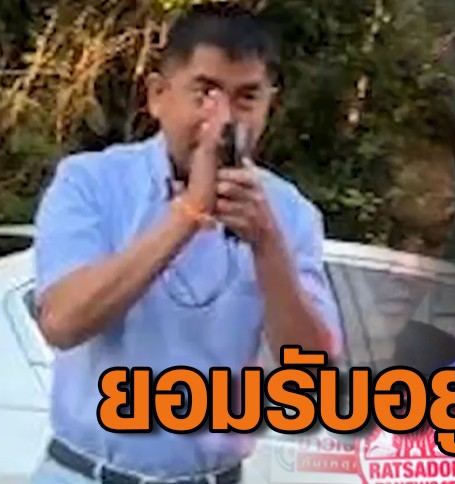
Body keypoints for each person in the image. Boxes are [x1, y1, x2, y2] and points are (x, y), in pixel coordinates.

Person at [30, 4, 343, 484]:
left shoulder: (290, 214)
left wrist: (268, 247)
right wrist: (189, 212)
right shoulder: (90, 182)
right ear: (158, 95)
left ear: (268, 105)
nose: (223, 118)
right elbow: (62, 322)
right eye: (205, 92)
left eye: (247, 97)